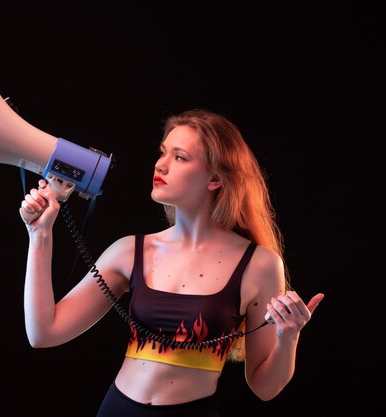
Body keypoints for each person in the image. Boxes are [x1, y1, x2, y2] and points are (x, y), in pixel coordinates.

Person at [19, 109, 324, 417]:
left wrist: (288, 337)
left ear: (215, 178)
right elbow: (44, 333)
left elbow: (264, 387)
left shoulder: (259, 265)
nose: (160, 164)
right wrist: (40, 234)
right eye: (163, 152)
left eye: (180, 157)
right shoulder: (130, 251)